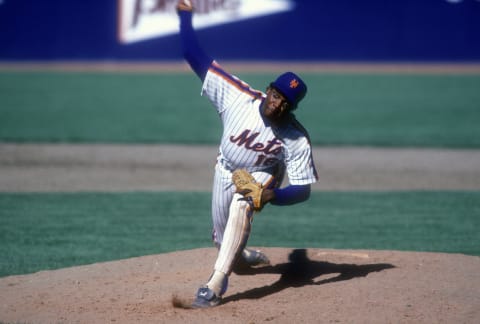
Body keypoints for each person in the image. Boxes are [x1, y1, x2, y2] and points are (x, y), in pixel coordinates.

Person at [176, 0, 318, 308]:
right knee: (222, 240)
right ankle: (239, 258)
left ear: (292, 108)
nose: (278, 103)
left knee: (245, 202)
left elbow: (303, 190)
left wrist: (270, 196)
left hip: (264, 172)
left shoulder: (295, 137)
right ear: (269, 90)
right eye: (277, 94)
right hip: (224, 170)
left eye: (286, 102)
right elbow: (192, 55)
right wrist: (184, 14)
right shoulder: (236, 97)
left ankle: (215, 285)